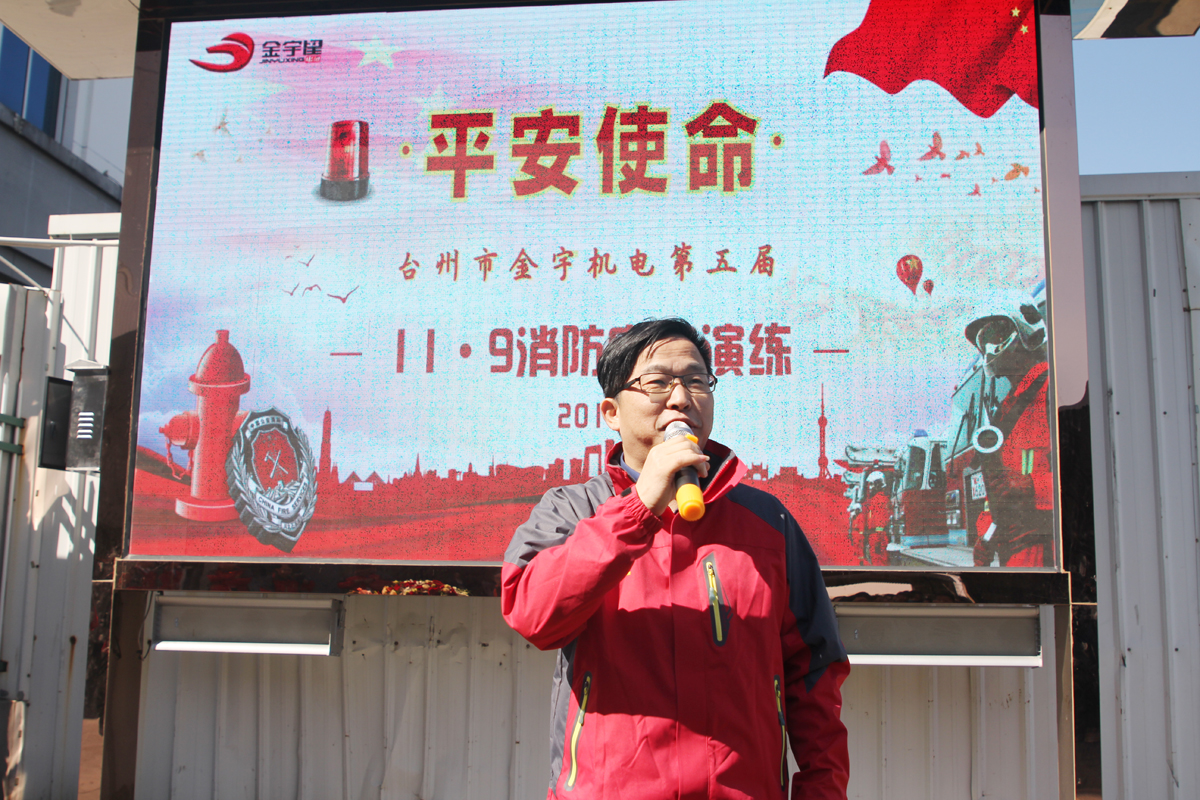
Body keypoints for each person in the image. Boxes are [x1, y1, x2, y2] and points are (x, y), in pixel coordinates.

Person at [501, 318, 850, 800]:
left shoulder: (769, 523)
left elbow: (815, 676)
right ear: (611, 412)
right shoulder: (571, 511)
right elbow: (533, 616)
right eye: (658, 382)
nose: (681, 398)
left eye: (696, 380)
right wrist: (639, 508)